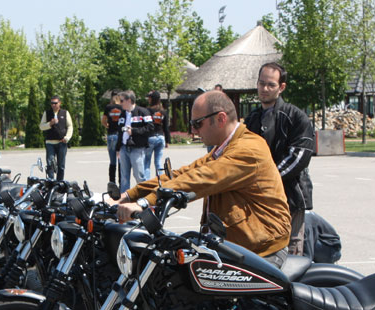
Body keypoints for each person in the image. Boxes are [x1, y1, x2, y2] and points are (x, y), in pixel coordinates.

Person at [114, 90, 290, 265]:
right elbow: (185, 173)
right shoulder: (224, 148)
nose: (193, 129)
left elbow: (202, 178)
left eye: (197, 123)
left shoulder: (248, 149)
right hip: (237, 247)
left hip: (263, 252)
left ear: (221, 119)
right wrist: (128, 196)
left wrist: (145, 203)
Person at [245, 62, 315, 256]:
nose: (264, 89)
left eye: (270, 85)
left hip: (290, 198)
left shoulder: (297, 117)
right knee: (261, 254)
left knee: (292, 254)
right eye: (261, 83)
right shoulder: (252, 118)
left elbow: (299, 157)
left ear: (281, 87)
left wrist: (267, 180)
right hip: (259, 201)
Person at [117, 90, 153, 191]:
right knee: (124, 177)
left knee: (139, 176)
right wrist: (118, 148)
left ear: (129, 100)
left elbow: (150, 128)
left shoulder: (143, 112)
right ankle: (124, 199)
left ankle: (144, 197)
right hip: (124, 148)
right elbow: (120, 132)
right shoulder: (123, 114)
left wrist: (134, 131)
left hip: (137, 148)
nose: (120, 103)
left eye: (122, 101)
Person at [39, 95, 73, 180]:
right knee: (50, 163)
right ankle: (51, 181)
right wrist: (50, 124)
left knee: (61, 165)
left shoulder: (65, 113)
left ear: (59, 103)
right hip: (50, 142)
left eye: (55, 103)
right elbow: (41, 126)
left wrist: (67, 137)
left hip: (62, 142)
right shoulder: (47, 113)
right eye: (52, 103)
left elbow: (70, 126)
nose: (53, 105)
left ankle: (59, 183)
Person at [145, 91, 170, 177]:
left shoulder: (147, 111)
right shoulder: (163, 111)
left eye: (149, 98)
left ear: (152, 99)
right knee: (158, 162)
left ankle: (146, 182)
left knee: (146, 162)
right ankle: (160, 181)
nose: (148, 99)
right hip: (160, 137)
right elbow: (166, 127)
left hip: (150, 137)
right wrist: (168, 141)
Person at [101, 90, 123, 184]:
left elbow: (103, 120)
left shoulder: (108, 107)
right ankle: (121, 182)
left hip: (111, 135)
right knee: (121, 161)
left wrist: (107, 126)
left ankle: (112, 182)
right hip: (120, 134)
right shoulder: (122, 107)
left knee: (112, 161)